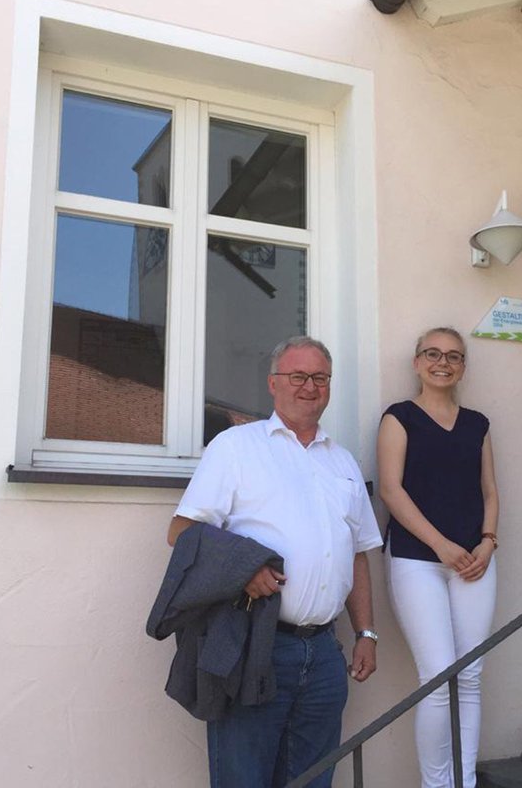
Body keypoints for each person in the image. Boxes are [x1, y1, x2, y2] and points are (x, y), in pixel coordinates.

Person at [165, 336, 382, 788]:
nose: (310, 387)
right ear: (273, 383)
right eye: (298, 376)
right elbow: (182, 533)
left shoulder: (343, 462)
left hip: (324, 653)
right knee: (243, 777)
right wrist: (243, 569)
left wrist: (365, 632)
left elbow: (358, 554)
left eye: (320, 378)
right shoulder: (235, 447)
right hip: (255, 645)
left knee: (313, 779)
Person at [377, 327, 498, 788]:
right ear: (417, 362)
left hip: (475, 563)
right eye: (432, 353)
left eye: (453, 356)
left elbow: (490, 491)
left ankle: (463, 782)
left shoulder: (477, 424)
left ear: (463, 367)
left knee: (469, 677)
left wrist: (488, 542)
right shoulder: (399, 417)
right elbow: (391, 491)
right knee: (438, 677)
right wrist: (441, 545)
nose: (442, 362)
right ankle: (436, 785)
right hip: (417, 561)